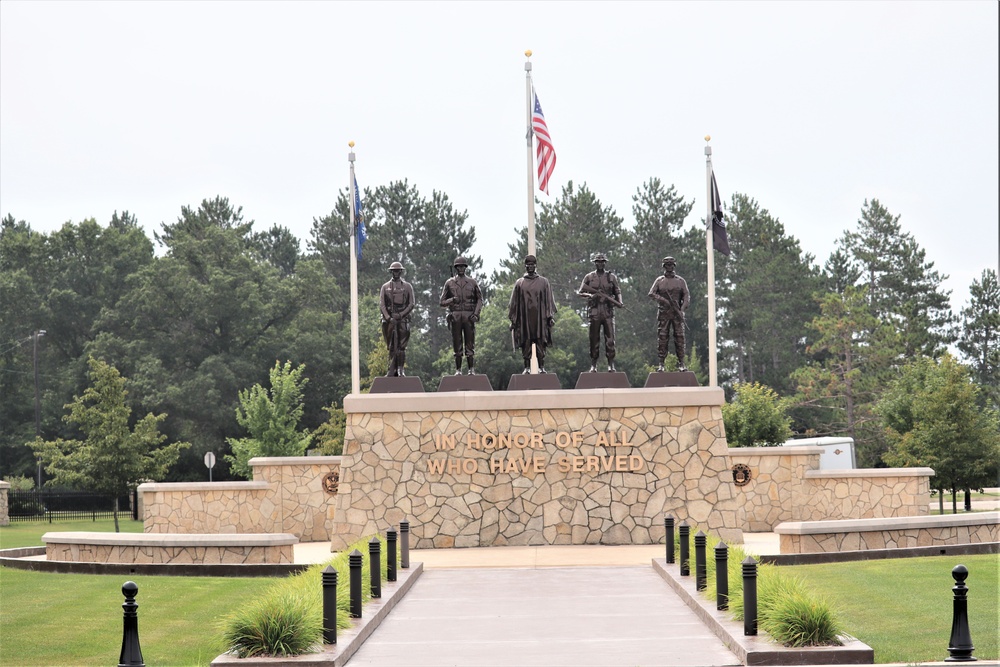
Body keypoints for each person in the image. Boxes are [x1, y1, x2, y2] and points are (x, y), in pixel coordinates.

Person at [508, 254, 557, 374]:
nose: (530, 267)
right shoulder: (520, 283)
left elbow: (549, 300)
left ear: (535, 266)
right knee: (526, 342)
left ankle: (541, 367)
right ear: (525, 266)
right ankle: (527, 367)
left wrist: (550, 316)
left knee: (541, 342)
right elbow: (514, 303)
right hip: (525, 318)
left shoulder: (544, 282)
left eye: (532, 265)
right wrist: (513, 320)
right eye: (528, 265)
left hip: (540, 318)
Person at [578, 252, 623, 372]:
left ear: (605, 263)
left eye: (602, 262)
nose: (600, 264)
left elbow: (617, 291)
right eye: (598, 262)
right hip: (594, 310)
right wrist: (590, 295)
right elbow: (580, 291)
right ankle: (593, 364)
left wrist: (619, 302)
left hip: (608, 310)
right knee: (594, 338)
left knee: (610, 339)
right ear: (595, 263)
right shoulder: (589, 277)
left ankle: (611, 364)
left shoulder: (611, 277)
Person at [439, 255, 483, 375]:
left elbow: (480, 299)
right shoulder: (449, 283)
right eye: (459, 267)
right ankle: (458, 370)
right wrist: (452, 300)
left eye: (463, 266)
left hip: (469, 315)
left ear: (466, 268)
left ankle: (471, 369)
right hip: (456, 315)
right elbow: (442, 302)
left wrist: (476, 314)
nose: (461, 269)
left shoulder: (472, 282)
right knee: (457, 343)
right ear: (455, 268)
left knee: (470, 343)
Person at [648, 256, 690, 371]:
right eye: (667, 265)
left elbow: (686, 296)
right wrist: (663, 300)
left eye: (671, 264)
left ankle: (681, 363)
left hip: (677, 314)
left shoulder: (681, 281)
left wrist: (682, 309)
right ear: (664, 266)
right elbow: (651, 293)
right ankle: (661, 363)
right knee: (662, 337)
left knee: (680, 338)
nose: (669, 267)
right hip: (664, 313)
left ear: (674, 266)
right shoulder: (659, 280)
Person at [379, 261, 415, 377]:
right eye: (394, 271)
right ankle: (392, 369)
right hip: (389, 319)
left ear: (401, 271)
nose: (396, 273)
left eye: (398, 271)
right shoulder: (385, 287)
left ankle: (400, 369)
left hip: (403, 318)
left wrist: (401, 315)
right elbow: (382, 305)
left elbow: (411, 303)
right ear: (391, 272)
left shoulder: (407, 286)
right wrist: (388, 318)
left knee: (402, 346)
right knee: (391, 345)